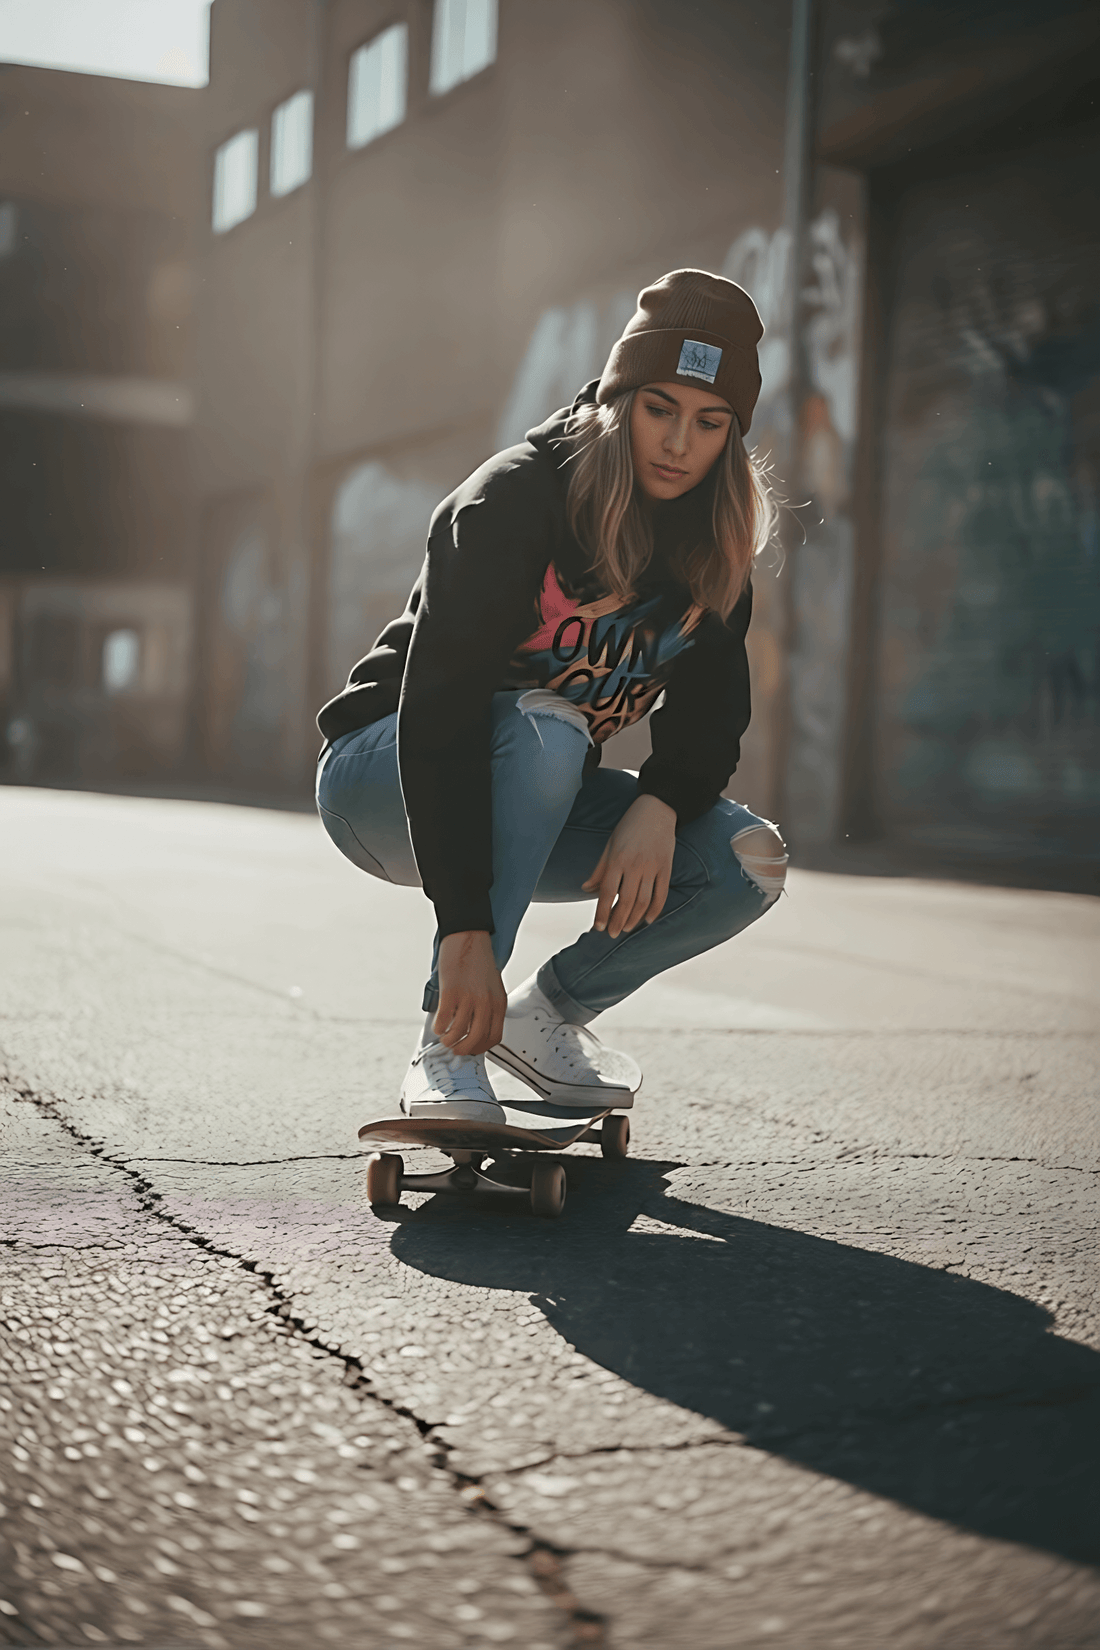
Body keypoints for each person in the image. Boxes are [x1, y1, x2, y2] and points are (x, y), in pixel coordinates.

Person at [316, 269, 788, 1123]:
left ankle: (544, 1017)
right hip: (383, 781)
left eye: (709, 422)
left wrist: (664, 803)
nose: (680, 442)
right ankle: (447, 1043)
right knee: (550, 730)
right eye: (660, 409)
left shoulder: (714, 546)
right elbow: (441, 716)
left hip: (533, 789)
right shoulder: (515, 497)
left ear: (732, 432)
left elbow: (713, 716)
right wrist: (464, 933)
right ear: (620, 398)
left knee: (743, 863)